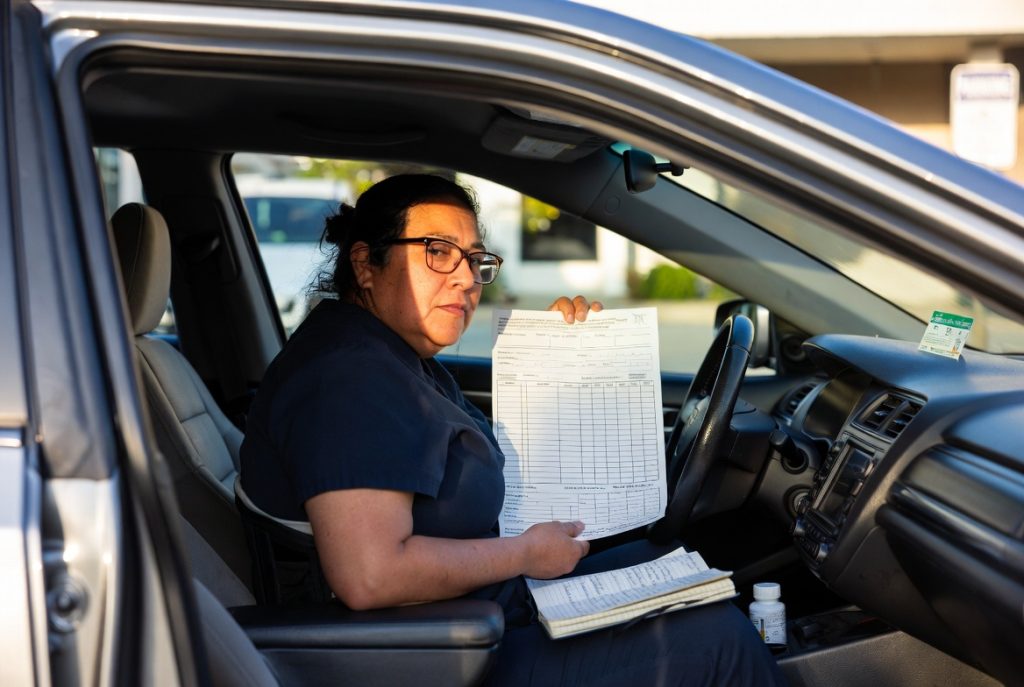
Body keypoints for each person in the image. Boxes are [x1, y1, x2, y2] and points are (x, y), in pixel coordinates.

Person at [240, 174, 786, 686]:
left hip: (486, 612)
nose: (464, 276)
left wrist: (554, 356)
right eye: (437, 252)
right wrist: (524, 555)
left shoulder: (394, 356)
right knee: (720, 640)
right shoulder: (349, 379)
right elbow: (371, 575)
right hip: (443, 654)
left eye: (475, 259)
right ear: (366, 265)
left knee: (673, 573)